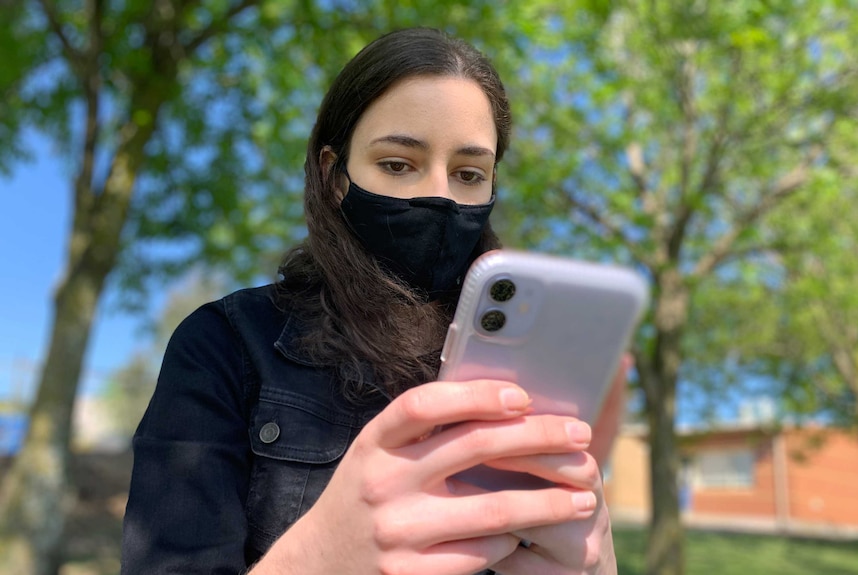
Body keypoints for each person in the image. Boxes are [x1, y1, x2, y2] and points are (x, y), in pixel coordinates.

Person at [121, 27, 627, 575]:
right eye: (397, 164)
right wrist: (320, 556)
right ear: (332, 174)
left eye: (468, 174)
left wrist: (592, 563)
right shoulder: (224, 345)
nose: (438, 194)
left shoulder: (522, 371)